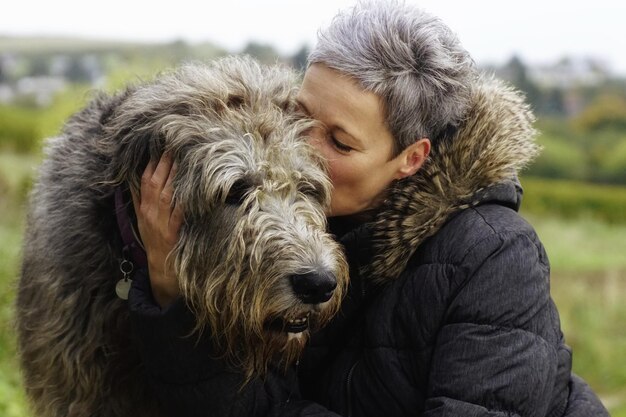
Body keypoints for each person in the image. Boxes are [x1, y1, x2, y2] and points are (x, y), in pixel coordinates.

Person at [128, 1, 610, 416]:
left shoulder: (496, 256)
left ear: (410, 158)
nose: (303, 151)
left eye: (339, 141)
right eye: (297, 118)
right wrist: (171, 292)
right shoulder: (313, 220)